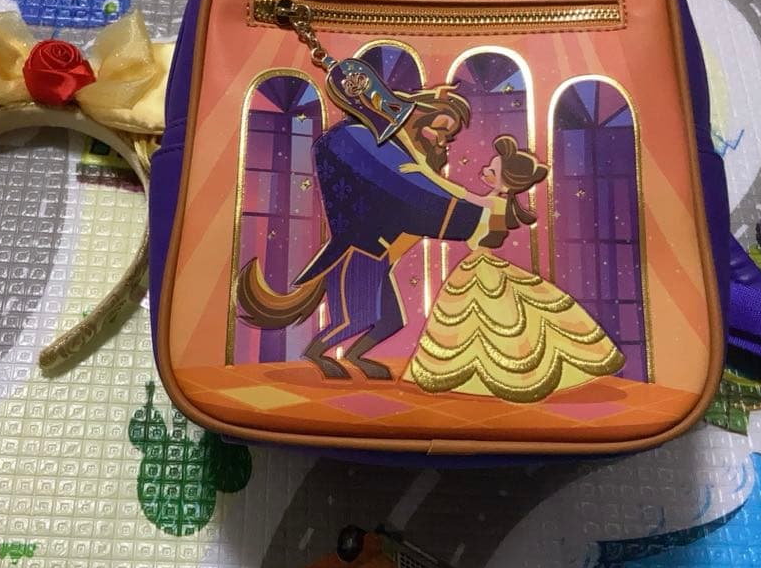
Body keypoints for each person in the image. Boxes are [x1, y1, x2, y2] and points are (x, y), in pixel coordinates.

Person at [236, 87, 509, 380]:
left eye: (448, 136)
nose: (442, 141)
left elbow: (427, 189)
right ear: (414, 116)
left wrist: (481, 210)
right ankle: (315, 353)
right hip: (357, 252)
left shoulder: (403, 156)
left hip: (377, 255)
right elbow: (414, 191)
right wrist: (477, 218)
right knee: (354, 319)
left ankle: (353, 357)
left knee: (390, 320)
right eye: (439, 129)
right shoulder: (362, 140)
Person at [403, 135, 625, 402]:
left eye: (492, 170)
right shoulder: (496, 201)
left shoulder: (495, 203)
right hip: (480, 262)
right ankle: (482, 373)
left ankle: (510, 374)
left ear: (507, 182)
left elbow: (459, 193)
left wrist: (425, 172)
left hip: (480, 264)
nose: (485, 171)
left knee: (489, 317)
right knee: (486, 318)